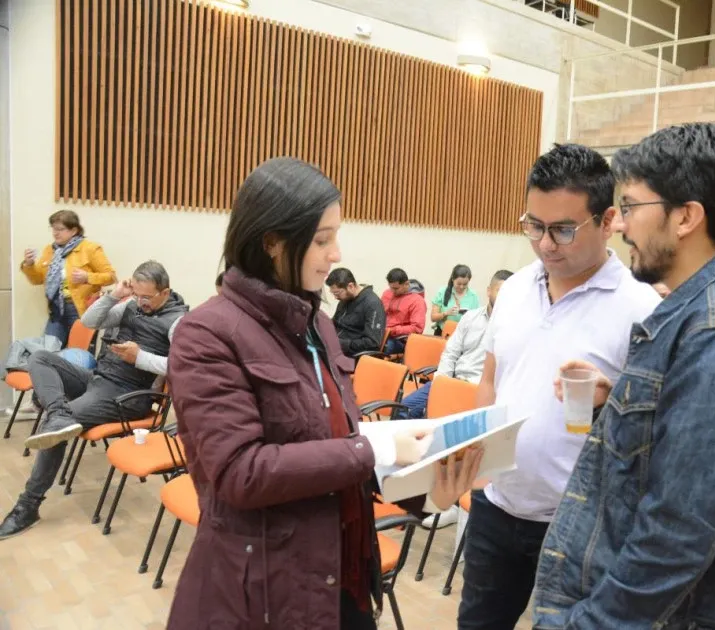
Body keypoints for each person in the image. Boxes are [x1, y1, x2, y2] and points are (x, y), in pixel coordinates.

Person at [164, 157, 482, 630]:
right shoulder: (206, 335)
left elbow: (335, 448)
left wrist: (427, 492)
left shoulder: (318, 325)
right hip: (268, 590)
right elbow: (239, 472)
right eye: (321, 240)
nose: (336, 254)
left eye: (335, 236)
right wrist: (372, 446)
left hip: (344, 573)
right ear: (272, 242)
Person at [531, 123, 715, 630]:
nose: (621, 225)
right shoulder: (695, 315)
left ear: (686, 216)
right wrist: (619, 402)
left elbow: (677, 532)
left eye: (630, 208)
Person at [458, 143, 660, 630]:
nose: (546, 244)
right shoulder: (514, 289)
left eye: (563, 229)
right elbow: (490, 379)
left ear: (608, 219)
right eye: (534, 226)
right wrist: (479, 470)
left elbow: (656, 431)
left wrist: (610, 399)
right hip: (497, 504)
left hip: (580, 523)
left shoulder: (640, 307)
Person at [0, 261, 188, 540]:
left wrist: (141, 358)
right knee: (40, 359)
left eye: (147, 297)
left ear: (165, 292)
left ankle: (28, 507)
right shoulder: (130, 304)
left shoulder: (179, 322)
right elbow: (88, 322)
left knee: (53, 432)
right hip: (97, 377)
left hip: (126, 395)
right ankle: (58, 412)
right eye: (137, 294)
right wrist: (115, 296)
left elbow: (185, 368)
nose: (141, 302)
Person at [397, 269, 511, 420]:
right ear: (489, 291)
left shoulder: (514, 330)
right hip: (452, 379)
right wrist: (442, 384)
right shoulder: (470, 318)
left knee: (441, 424)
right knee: (401, 410)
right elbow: (451, 353)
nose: (505, 297)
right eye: (500, 291)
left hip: (476, 390)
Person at [20, 210, 117, 347]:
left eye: (60, 229)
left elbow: (111, 276)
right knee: (47, 350)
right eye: (53, 228)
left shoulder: (90, 248)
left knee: (77, 354)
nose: (55, 233)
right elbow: (37, 279)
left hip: (80, 309)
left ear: (73, 230)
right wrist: (28, 265)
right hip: (56, 310)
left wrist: (87, 277)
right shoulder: (50, 250)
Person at [326, 267, 386, 358]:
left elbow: (372, 343)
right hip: (336, 348)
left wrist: (341, 344)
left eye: (337, 293)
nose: (335, 297)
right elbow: (335, 323)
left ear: (350, 286)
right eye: (333, 294)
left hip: (353, 355)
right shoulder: (345, 299)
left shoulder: (372, 304)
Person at [381, 268, 426, 354]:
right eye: (391, 288)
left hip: (400, 340)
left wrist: (393, 330)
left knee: (383, 347)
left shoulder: (417, 301)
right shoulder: (387, 293)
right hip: (382, 333)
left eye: (396, 288)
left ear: (406, 284)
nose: (393, 291)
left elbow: (417, 328)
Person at [430, 264, 479, 336]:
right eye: (458, 284)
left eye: (465, 284)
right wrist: (446, 313)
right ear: (453, 279)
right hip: (443, 333)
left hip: (463, 335)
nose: (461, 287)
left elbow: (477, 319)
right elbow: (433, 317)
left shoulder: (473, 296)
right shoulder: (442, 292)